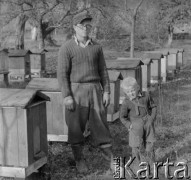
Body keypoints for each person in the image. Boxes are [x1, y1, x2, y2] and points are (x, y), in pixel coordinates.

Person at [57, 11, 114, 174]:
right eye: (83, 25)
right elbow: (62, 74)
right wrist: (67, 95)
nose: (86, 28)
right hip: (76, 91)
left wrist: (107, 91)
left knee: (100, 123)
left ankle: (111, 159)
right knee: (75, 126)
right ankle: (79, 160)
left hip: (95, 89)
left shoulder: (96, 47)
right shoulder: (66, 48)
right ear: (75, 27)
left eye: (89, 25)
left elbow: (103, 70)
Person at [120, 77, 157, 166]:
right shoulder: (126, 102)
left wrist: (151, 118)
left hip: (148, 123)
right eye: (128, 92)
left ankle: (151, 162)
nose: (131, 93)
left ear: (138, 88)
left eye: (132, 90)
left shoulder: (146, 96)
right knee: (135, 145)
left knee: (150, 141)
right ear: (125, 92)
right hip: (135, 125)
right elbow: (122, 117)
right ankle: (137, 163)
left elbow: (153, 107)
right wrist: (129, 125)